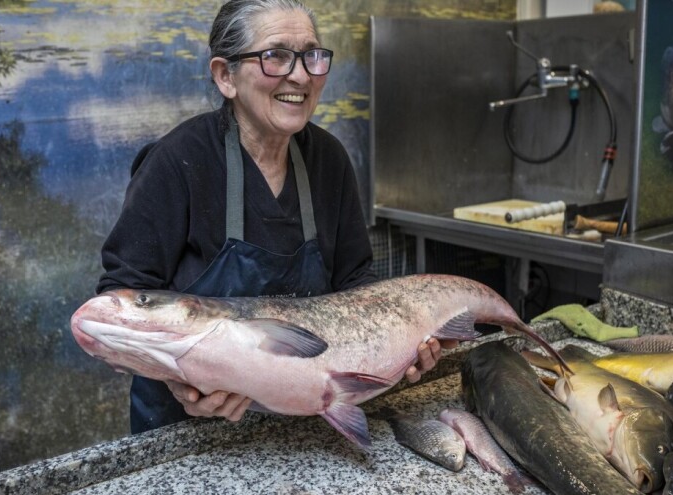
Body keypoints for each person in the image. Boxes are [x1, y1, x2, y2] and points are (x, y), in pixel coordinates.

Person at [97, 0, 455, 435]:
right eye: (276, 56)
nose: (301, 76)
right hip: (189, 431)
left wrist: (398, 343)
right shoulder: (177, 162)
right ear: (225, 76)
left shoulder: (328, 159)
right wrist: (179, 381)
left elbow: (355, 282)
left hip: (306, 424)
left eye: (311, 56)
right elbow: (120, 302)